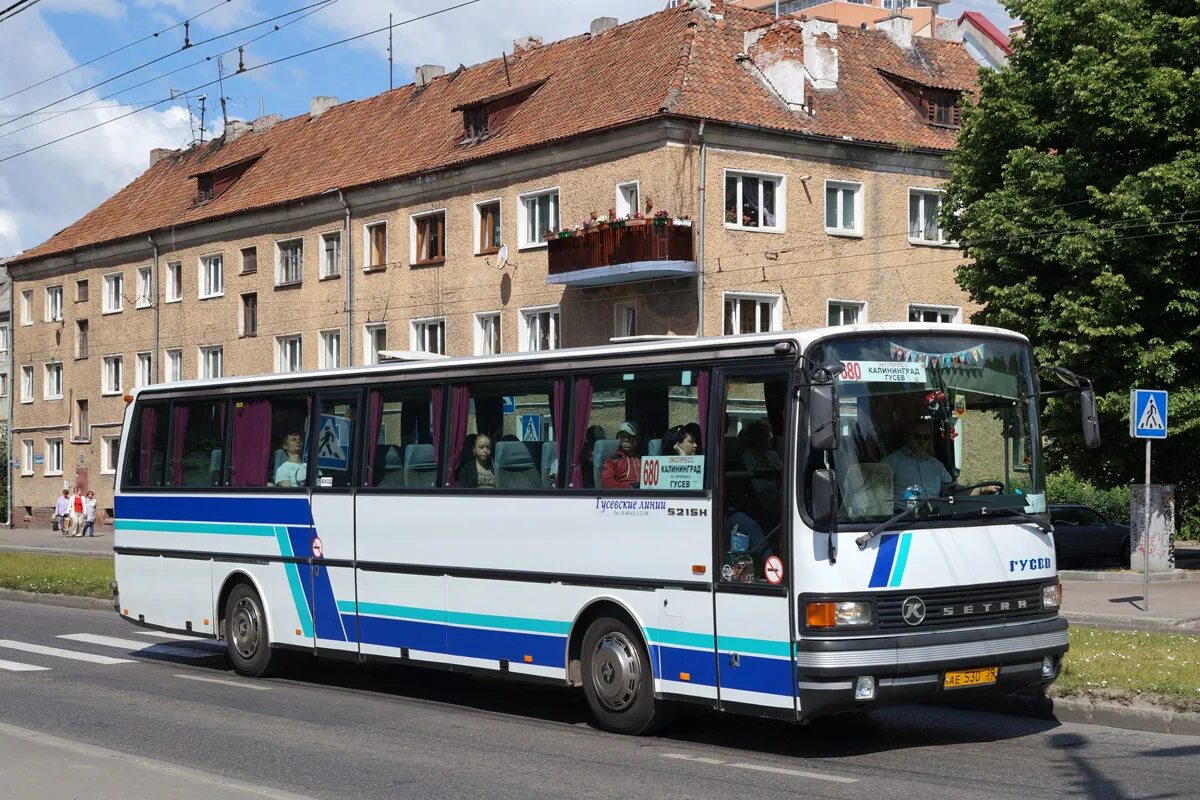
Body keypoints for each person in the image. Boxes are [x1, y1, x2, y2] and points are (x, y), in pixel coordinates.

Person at [882, 420, 952, 506]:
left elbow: (951, 489)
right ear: (906, 436)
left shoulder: (936, 465)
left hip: (935, 516)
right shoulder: (891, 462)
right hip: (903, 517)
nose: (922, 441)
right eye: (918, 436)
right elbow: (878, 494)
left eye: (926, 437)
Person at [601, 420, 641, 490]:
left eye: (629, 436)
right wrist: (629, 488)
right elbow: (607, 482)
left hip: (647, 496)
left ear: (636, 440)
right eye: (622, 436)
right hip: (624, 496)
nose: (625, 440)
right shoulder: (613, 461)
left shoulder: (643, 459)